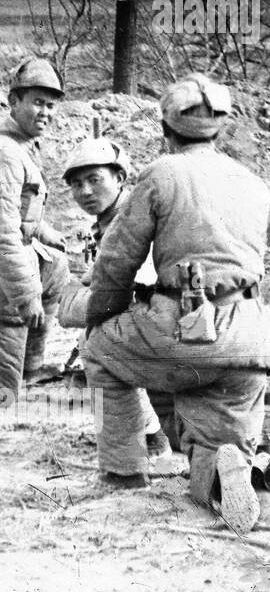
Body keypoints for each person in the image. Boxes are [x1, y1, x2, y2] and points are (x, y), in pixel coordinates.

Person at [81, 74, 270, 535]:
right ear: (221, 128)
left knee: (100, 350)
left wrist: (102, 318)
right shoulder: (252, 182)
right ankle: (223, 472)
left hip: (187, 326)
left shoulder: (162, 173)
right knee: (215, 437)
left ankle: (125, 469)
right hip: (252, 336)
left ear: (166, 130)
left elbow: (116, 262)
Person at [57, 137, 172, 461]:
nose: (86, 192)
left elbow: (135, 286)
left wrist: (73, 304)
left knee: (95, 339)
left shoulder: (132, 219)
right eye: (77, 184)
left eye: (95, 180)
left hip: (165, 314)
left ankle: (150, 438)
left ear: (119, 179)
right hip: (157, 314)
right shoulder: (111, 220)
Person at [0, 57, 71, 397]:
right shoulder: (6, 152)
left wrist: (46, 233)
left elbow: (22, 210)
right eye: (38, 103)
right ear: (14, 102)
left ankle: (30, 369)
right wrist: (27, 298)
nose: (46, 112)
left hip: (15, 251)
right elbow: (3, 236)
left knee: (55, 267)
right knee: (15, 310)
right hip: (4, 262)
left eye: (51, 105)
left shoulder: (24, 145)